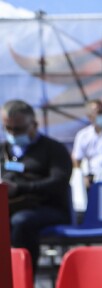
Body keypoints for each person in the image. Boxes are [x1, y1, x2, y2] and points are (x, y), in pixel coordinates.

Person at [1, 99, 72, 275]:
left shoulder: (54, 149)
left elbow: (59, 182)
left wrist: (20, 188)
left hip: (48, 208)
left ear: (34, 124)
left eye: (18, 129)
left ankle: (23, 278)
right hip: (9, 207)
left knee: (21, 222)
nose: (12, 133)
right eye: (7, 129)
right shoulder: (4, 150)